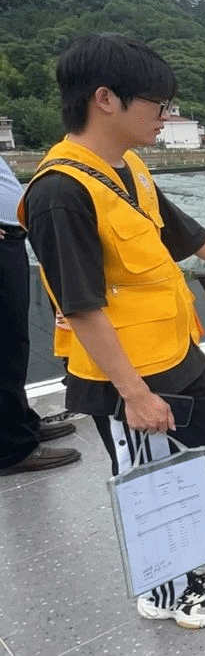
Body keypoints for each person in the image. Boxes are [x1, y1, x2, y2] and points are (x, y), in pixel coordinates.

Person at [19, 33, 205, 629]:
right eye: (158, 105)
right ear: (105, 99)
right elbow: (82, 307)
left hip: (174, 348)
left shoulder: (128, 167)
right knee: (153, 484)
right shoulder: (60, 193)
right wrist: (134, 394)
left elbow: (184, 232)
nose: (166, 117)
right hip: (127, 373)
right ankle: (165, 590)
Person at [0, 154, 81, 476]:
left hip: (10, 237)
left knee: (14, 341)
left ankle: (21, 425)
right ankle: (12, 448)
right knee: (5, 345)